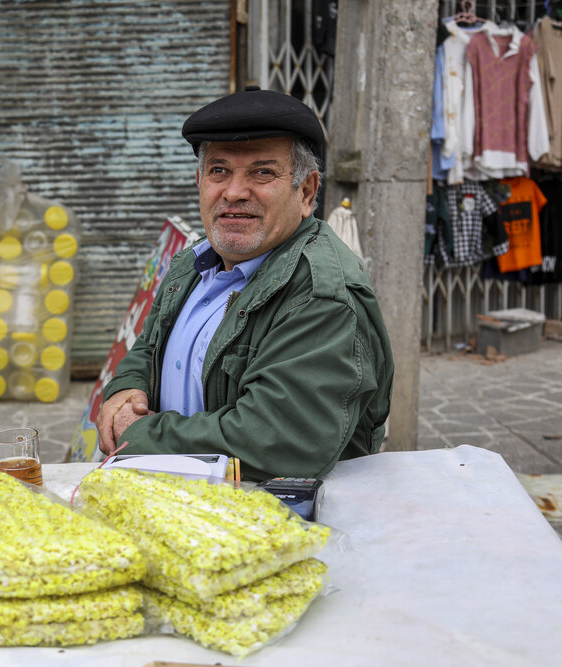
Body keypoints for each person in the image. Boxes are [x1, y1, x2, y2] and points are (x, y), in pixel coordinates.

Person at [96, 87, 394, 481]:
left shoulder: (321, 295)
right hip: (182, 508)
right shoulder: (195, 260)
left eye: (263, 172)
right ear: (199, 181)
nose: (234, 192)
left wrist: (140, 436)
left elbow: (279, 441)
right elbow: (150, 346)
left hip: (272, 526)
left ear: (306, 192)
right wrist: (126, 388)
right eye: (219, 170)